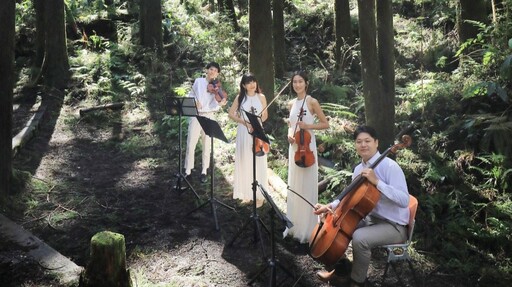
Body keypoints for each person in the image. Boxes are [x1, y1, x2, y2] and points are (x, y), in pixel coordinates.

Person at [313, 125, 410, 287]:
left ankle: (357, 282)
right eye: (359, 141)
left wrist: (377, 182)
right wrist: (331, 206)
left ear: (376, 143)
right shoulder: (359, 169)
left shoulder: (390, 167)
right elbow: (349, 198)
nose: (363, 145)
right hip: (372, 219)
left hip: (394, 226)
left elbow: (404, 200)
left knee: (359, 238)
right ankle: (342, 269)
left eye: (367, 141)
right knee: (340, 226)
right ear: (355, 145)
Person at [286, 71, 329, 243]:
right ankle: (295, 224)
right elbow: (291, 125)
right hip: (295, 147)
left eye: (300, 81)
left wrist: (308, 125)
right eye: (295, 82)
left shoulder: (312, 101)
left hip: (308, 146)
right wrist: (289, 135)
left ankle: (308, 228)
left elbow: (325, 123)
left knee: (307, 185)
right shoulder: (291, 103)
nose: (297, 85)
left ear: (306, 83)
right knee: (295, 184)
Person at [228, 73, 268, 207]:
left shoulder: (261, 97)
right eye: (249, 82)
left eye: (254, 82)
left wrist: (256, 122)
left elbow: (265, 116)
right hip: (244, 131)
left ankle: (259, 196)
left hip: (257, 132)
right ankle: (246, 193)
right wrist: (244, 122)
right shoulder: (240, 97)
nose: (252, 84)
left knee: (258, 161)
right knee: (245, 159)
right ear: (244, 85)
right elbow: (231, 114)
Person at [184, 62, 227, 183]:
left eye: (215, 70)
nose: (213, 71)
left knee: (206, 144)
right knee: (190, 143)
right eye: (211, 69)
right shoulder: (198, 81)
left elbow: (216, 104)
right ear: (207, 70)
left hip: (209, 115)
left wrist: (220, 103)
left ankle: (204, 170)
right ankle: (188, 170)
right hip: (196, 115)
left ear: (217, 73)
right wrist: (194, 102)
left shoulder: (217, 86)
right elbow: (190, 95)